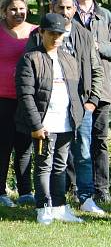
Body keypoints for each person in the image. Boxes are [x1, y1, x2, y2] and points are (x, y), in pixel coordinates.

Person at [26, 0, 105, 215]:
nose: (65, 12)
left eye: (69, 8)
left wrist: (92, 101)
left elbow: (96, 69)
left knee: (83, 153)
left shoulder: (84, 34)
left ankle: (85, 197)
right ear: (52, 7)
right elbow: (30, 73)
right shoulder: (37, 37)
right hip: (48, 108)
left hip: (80, 106)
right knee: (48, 160)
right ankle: (48, 203)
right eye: (61, 7)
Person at [15, 13, 85, 225]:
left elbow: (76, 91)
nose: (56, 37)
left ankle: (59, 207)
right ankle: (43, 207)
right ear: (41, 33)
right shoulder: (30, 58)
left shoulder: (69, 59)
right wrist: (36, 125)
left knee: (61, 165)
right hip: (44, 123)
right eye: (51, 33)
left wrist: (77, 118)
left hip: (65, 122)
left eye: (60, 34)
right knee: (43, 165)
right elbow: (25, 95)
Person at [72, 0, 111, 205]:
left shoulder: (106, 16)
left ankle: (102, 190)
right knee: (70, 139)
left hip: (101, 88)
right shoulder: (67, 13)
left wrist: (98, 47)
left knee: (99, 140)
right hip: (72, 88)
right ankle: (72, 187)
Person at [0, 0, 37, 208]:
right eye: (13, 9)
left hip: (26, 98)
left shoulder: (35, 32)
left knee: (24, 147)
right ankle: (1, 192)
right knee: (2, 145)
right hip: (2, 98)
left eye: (22, 9)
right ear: (4, 11)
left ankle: (25, 191)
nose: (18, 13)